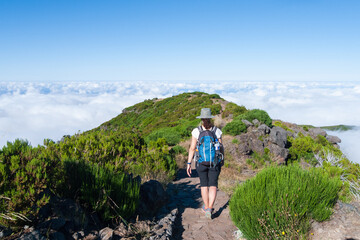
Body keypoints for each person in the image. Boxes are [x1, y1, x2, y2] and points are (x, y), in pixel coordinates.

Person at [186, 108, 223, 219]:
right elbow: (221, 147)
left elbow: (192, 148)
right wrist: (222, 159)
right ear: (210, 118)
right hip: (214, 162)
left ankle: (206, 206)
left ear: (202, 118)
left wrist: (188, 163)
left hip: (201, 163)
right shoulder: (217, 131)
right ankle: (210, 208)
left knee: (204, 185)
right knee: (213, 185)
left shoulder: (196, 131)